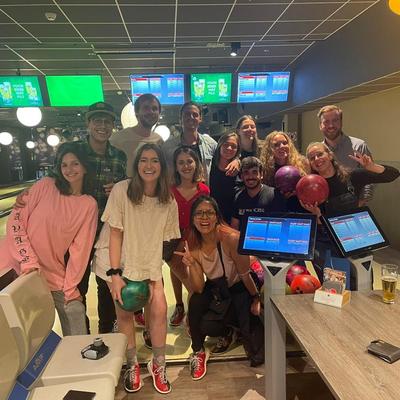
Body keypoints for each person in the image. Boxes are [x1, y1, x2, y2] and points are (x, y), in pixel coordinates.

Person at [15, 102, 127, 334]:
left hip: (105, 232)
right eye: (97, 120)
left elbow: (125, 188)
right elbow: (53, 178)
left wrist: (119, 187)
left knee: (106, 286)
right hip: (72, 233)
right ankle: (82, 335)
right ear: (88, 124)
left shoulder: (119, 155)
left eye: (107, 121)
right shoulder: (75, 150)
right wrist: (28, 194)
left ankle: (106, 332)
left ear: (113, 125)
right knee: (77, 287)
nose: (102, 125)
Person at [92, 143, 180, 394]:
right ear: (136, 164)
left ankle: (158, 364)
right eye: (143, 160)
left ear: (162, 166)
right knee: (125, 312)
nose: (148, 165)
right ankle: (132, 365)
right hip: (116, 259)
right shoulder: (122, 190)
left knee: (159, 311)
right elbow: (115, 234)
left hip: (147, 258)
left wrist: (153, 272)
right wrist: (115, 275)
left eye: (154, 160)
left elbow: (162, 240)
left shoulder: (168, 200)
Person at [0, 143, 98, 336]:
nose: (69, 169)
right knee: (18, 329)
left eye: (75, 163)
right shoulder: (45, 185)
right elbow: (15, 223)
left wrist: (70, 287)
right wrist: (28, 261)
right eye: (64, 165)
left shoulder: (88, 204)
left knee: (75, 309)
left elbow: (80, 251)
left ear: (85, 167)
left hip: (49, 271)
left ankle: (77, 352)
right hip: (13, 265)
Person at [175, 196, 261, 380]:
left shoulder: (231, 238)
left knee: (250, 338)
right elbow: (198, 288)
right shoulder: (193, 242)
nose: (204, 218)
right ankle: (198, 351)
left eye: (209, 213)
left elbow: (244, 275)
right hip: (217, 289)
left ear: (217, 216)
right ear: (192, 218)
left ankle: (233, 328)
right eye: (199, 213)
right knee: (197, 305)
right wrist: (192, 264)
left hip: (239, 288)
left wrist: (256, 298)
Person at [304, 142, 399, 276]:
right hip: (327, 245)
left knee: (363, 283)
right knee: (335, 287)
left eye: (320, 154)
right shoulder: (309, 186)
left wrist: (372, 167)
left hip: (356, 241)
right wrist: (317, 215)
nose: (316, 159)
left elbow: (393, 174)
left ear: (330, 155)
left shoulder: (352, 176)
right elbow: (316, 224)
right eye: (312, 157)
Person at [167, 146, 210, 327]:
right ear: (176, 166)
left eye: (189, 161)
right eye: (181, 162)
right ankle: (180, 306)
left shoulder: (203, 190)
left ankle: (195, 314)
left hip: (194, 238)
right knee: (177, 270)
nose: (186, 166)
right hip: (173, 238)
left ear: (196, 164)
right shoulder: (169, 190)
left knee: (193, 274)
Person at [162, 101, 239, 182]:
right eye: (187, 114)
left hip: (203, 189)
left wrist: (236, 160)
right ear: (180, 119)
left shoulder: (210, 143)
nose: (191, 117)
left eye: (195, 115)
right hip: (176, 189)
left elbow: (226, 154)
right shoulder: (167, 147)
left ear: (200, 119)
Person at [318, 104, 374, 204]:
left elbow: (370, 176)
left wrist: (362, 202)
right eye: (326, 122)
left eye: (335, 120)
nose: (331, 125)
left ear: (341, 122)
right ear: (320, 126)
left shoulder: (358, 146)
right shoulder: (317, 153)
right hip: (325, 207)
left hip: (354, 206)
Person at [110, 93, 163, 177]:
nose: (151, 112)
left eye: (154, 109)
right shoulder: (117, 138)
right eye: (146, 108)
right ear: (136, 112)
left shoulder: (159, 140)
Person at [231, 157, 286, 231]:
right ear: (241, 176)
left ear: (261, 174)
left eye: (254, 172)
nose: (250, 176)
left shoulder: (274, 195)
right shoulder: (238, 197)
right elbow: (234, 228)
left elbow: (281, 226)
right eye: (246, 173)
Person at [209, 132, 241, 224]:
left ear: (237, 150)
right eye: (226, 144)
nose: (229, 148)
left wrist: (238, 160)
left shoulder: (240, 169)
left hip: (233, 219)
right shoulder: (209, 166)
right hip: (212, 216)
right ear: (220, 145)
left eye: (233, 146)